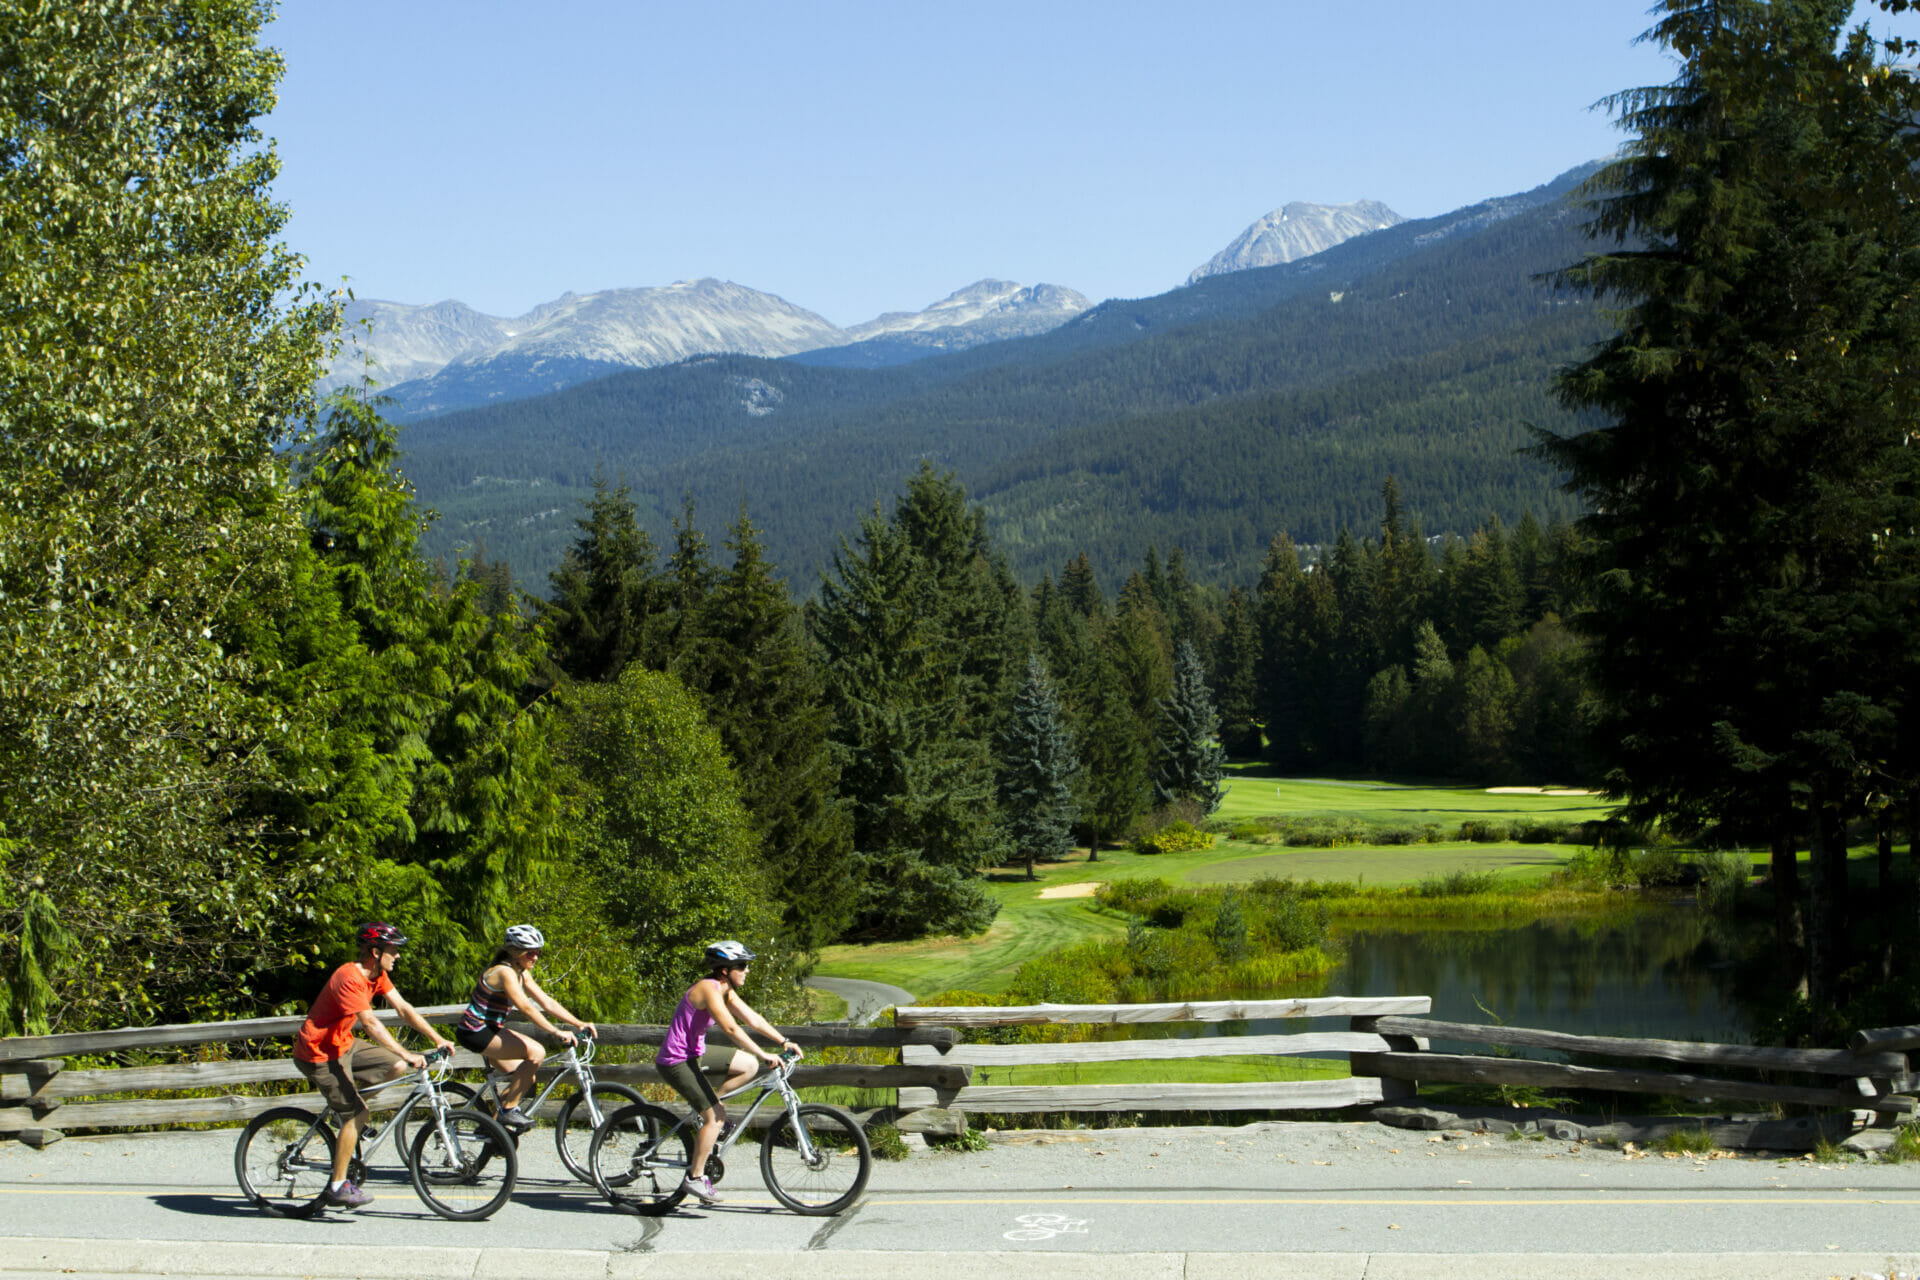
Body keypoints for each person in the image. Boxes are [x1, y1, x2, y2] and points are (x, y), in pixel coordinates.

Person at [292, 922, 454, 1210]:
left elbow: (403, 1009)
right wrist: (407, 1052)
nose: (398, 956)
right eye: (393, 950)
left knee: (394, 1067)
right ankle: (337, 1186)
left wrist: (437, 1037)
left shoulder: (377, 975)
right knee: (358, 1112)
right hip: (317, 1052)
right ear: (375, 951)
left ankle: (346, 1118)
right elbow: (370, 1024)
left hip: (343, 1044)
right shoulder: (349, 977)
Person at [655, 940, 801, 1204]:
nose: (747, 971)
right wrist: (765, 1053)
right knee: (717, 1118)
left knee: (748, 1066)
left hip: (695, 1054)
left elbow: (752, 1019)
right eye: (742, 966)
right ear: (724, 970)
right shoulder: (708, 989)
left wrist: (783, 1041)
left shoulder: (725, 990)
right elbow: (731, 1029)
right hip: (675, 1060)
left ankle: (709, 1109)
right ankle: (695, 1177)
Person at [453, 923, 596, 1128]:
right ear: (515, 952)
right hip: (475, 1031)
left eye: (537, 952)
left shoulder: (520, 972)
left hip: (490, 1030)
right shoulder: (504, 972)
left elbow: (547, 1002)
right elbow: (527, 1008)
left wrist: (579, 1023)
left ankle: (493, 1133)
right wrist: (555, 1032)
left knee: (526, 1079)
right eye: (530, 953)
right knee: (537, 1052)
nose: (535, 957)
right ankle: (508, 1110)